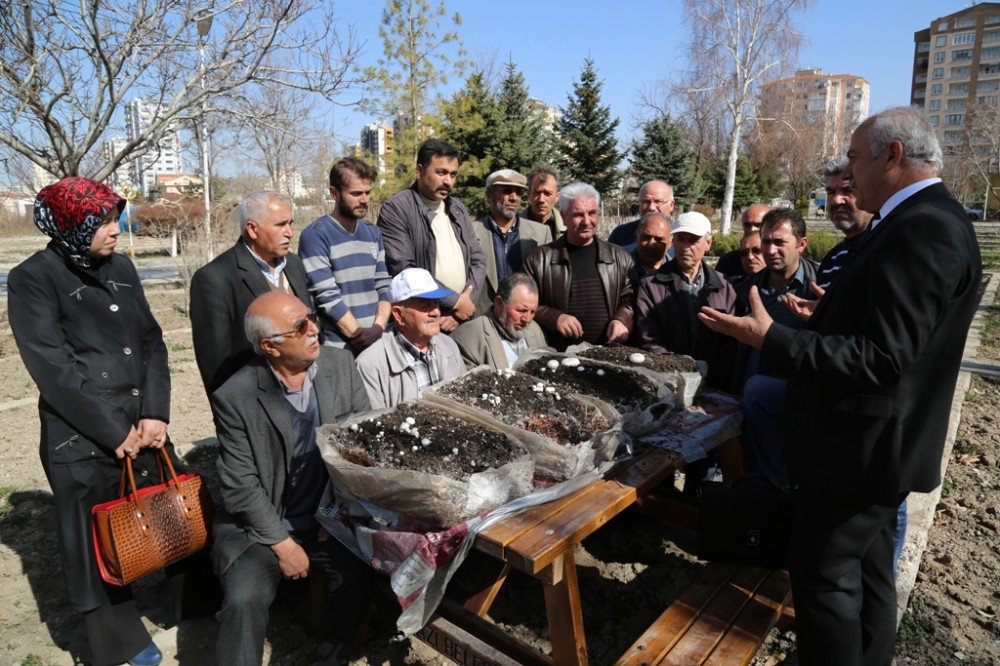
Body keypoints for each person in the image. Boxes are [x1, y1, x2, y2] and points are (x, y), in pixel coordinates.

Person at [699, 106, 982, 666]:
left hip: (860, 452)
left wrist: (771, 339)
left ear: (892, 156)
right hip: (875, 448)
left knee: (825, 580)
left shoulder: (924, 228)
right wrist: (830, 315)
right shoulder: (925, 220)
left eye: (855, 158)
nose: (849, 175)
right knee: (872, 576)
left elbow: (883, 358)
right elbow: (899, 332)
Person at [8, 178, 176, 666]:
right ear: (69, 225)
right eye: (100, 220)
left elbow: (151, 341)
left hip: (142, 421)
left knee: (172, 511)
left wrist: (154, 413)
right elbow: (51, 366)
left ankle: (195, 606)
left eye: (113, 216)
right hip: (80, 433)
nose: (115, 229)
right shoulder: (33, 277)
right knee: (94, 542)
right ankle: (119, 646)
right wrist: (112, 430)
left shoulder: (122, 267)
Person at [212, 291, 374, 666]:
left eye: (311, 318)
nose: (314, 330)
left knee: (358, 582)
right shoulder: (235, 397)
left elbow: (360, 442)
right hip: (264, 525)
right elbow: (241, 485)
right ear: (270, 346)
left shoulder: (339, 365)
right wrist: (283, 546)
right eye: (300, 327)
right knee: (244, 599)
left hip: (326, 515)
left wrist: (337, 508)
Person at [190, 190, 310, 397]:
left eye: (291, 223)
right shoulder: (214, 278)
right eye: (281, 225)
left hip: (305, 393)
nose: (290, 232)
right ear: (252, 229)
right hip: (258, 402)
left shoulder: (295, 265)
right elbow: (217, 365)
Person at [377, 138, 486, 333]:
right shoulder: (397, 209)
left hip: (460, 318)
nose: (448, 181)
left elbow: (478, 259)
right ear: (419, 171)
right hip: (422, 323)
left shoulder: (457, 208)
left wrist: (463, 305)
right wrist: (454, 302)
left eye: (453, 175)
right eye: (441, 172)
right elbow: (404, 269)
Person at [523, 182, 634, 351]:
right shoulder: (538, 260)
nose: (586, 221)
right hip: (558, 358)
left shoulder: (620, 258)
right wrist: (555, 318)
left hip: (610, 355)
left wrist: (622, 320)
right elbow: (524, 305)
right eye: (578, 215)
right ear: (563, 216)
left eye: (592, 213)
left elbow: (631, 299)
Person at [634, 211, 736, 390]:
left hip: (715, 382)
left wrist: (716, 374)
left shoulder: (725, 285)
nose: (685, 247)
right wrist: (678, 370)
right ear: (673, 242)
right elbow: (649, 336)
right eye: (681, 239)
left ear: (708, 244)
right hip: (668, 381)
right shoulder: (651, 284)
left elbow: (732, 338)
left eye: (693, 240)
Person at [298, 157, 391, 353]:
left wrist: (378, 328)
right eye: (356, 193)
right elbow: (326, 295)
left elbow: (384, 285)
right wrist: (359, 334)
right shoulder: (316, 235)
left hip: (379, 341)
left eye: (367, 192)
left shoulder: (373, 232)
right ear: (334, 193)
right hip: (340, 348)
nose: (364, 199)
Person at [356, 268, 466, 409]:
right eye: (425, 305)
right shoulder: (369, 365)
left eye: (436, 303)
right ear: (399, 315)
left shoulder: (449, 345)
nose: (436, 312)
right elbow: (374, 424)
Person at [472, 169, 552, 315]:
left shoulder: (541, 233)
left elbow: (549, 286)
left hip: (525, 323)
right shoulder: (470, 232)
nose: (514, 198)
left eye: (519, 192)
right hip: (483, 321)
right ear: (490, 195)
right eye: (507, 191)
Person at [452, 273, 548, 370]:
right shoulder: (469, 339)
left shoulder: (535, 330)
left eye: (533, 312)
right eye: (521, 310)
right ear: (499, 303)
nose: (527, 319)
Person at [815, 156, 874, 290]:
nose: (836, 200)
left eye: (848, 191)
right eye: (830, 192)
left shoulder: (884, 251)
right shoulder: (831, 259)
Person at [607, 180, 675, 248]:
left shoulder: (681, 235)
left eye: (658, 201)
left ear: (671, 205)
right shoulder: (621, 234)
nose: (651, 207)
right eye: (646, 201)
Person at [715, 202, 771, 282]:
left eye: (758, 225)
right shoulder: (728, 262)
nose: (752, 229)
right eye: (747, 225)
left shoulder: (781, 259)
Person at [524, 164, 565, 238]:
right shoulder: (511, 226)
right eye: (537, 192)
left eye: (547, 193)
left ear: (557, 197)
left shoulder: (569, 227)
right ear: (529, 193)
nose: (541, 199)